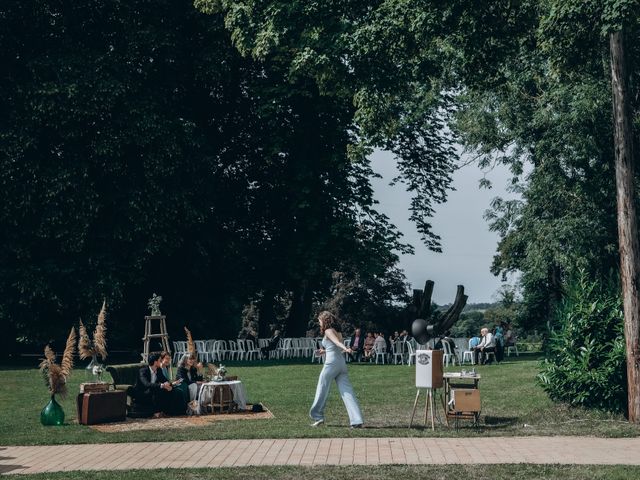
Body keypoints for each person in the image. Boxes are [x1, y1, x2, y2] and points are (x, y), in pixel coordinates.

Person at [309, 311, 364, 428]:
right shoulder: (337, 331)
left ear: (324, 320)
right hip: (341, 364)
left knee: (322, 388)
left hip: (332, 364)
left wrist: (346, 348)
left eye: (319, 320)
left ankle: (318, 416)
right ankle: (356, 420)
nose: (319, 323)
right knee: (347, 392)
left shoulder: (328, 331)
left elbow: (337, 343)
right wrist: (323, 351)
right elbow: (334, 347)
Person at [132, 353, 183, 417]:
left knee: (172, 390)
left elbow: (164, 380)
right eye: (160, 360)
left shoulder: (158, 370)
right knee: (157, 390)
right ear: (155, 362)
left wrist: (169, 385)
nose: (161, 362)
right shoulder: (143, 371)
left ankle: (170, 412)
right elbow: (146, 384)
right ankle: (156, 412)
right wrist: (162, 385)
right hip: (142, 392)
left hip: (153, 390)